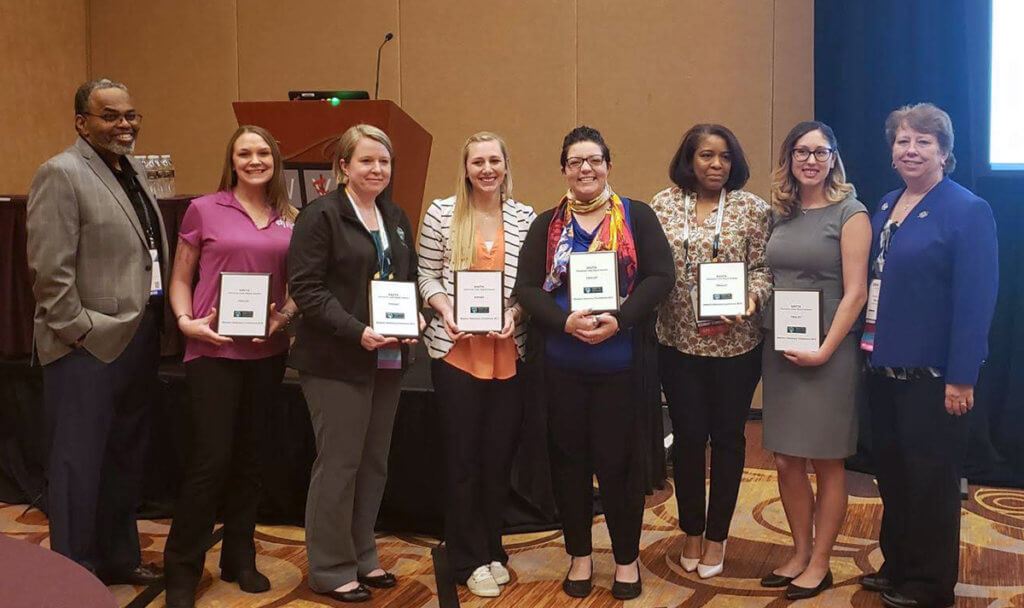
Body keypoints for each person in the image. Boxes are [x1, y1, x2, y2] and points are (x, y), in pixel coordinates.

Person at [514, 126, 673, 601]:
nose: (586, 168)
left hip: (621, 370)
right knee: (570, 467)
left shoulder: (635, 217)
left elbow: (660, 276)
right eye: (576, 161)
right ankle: (580, 556)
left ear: (608, 165)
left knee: (620, 468)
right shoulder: (547, 225)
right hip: (561, 369)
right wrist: (564, 323)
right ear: (563, 168)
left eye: (595, 160)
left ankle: (626, 561)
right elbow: (525, 289)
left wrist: (620, 319)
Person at [25, 78, 166, 585]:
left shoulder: (131, 172)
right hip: (85, 346)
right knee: (78, 466)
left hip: (138, 337)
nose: (124, 125)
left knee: (123, 456)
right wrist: (81, 332)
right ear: (82, 123)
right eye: (111, 116)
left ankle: (118, 558)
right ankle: (74, 573)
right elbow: (49, 271)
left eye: (131, 115)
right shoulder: (60, 173)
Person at [861, 103, 998, 608]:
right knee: (893, 473)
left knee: (932, 481)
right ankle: (897, 564)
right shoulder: (885, 203)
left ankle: (929, 584)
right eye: (902, 140)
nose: (911, 149)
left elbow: (976, 300)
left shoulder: (966, 209)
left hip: (933, 375)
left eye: (923, 141)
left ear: (944, 151)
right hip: (882, 366)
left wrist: (962, 377)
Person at [162, 126, 299, 608]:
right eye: (246, 152)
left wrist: (283, 317)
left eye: (264, 152)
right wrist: (186, 322)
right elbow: (180, 276)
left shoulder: (290, 217)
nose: (255, 160)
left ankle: (239, 557)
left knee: (252, 459)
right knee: (210, 461)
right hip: (213, 351)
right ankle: (181, 568)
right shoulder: (204, 208)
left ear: (275, 161)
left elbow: (300, 284)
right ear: (232, 159)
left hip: (267, 352)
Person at [288, 124, 421, 603]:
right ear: (343, 165)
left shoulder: (396, 216)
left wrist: (412, 321)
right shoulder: (319, 216)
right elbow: (306, 289)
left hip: (387, 356)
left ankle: (363, 555)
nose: (377, 170)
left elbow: (403, 280)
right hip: (335, 359)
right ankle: (329, 567)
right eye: (366, 161)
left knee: (373, 463)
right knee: (339, 464)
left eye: (384, 162)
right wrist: (356, 330)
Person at [650, 123, 771, 579]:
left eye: (723, 156)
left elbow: (763, 269)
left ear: (734, 160)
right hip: (677, 342)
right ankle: (691, 531)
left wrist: (752, 298)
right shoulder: (663, 205)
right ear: (689, 159)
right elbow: (648, 267)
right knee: (686, 439)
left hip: (736, 347)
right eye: (705, 155)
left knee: (727, 440)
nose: (715, 164)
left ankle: (718, 536)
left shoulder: (752, 209)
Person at [418, 132, 536, 597]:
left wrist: (515, 314)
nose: (486, 169)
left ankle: (492, 548)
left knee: (497, 459)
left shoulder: (526, 218)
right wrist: (444, 309)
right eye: (477, 162)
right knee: (463, 460)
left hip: (509, 354)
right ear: (465, 168)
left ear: (506, 165)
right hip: (455, 355)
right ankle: (467, 557)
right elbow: (425, 274)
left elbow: (531, 285)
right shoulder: (441, 214)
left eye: (494, 160)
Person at [758, 121, 870, 600]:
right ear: (789, 159)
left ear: (833, 158)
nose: (810, 160)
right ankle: (799, 551)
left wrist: (825, 349)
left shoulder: (851, 212)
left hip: (829, 352)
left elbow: (857, 292)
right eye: (801, 151)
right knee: (785, 459)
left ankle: (821, 561)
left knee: (826, 461)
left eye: (820, 151)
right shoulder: (779, 213)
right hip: (782, 347)